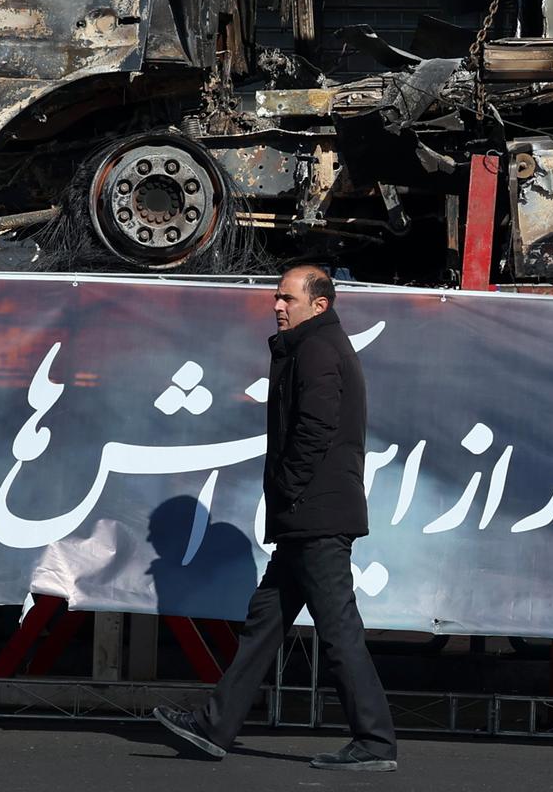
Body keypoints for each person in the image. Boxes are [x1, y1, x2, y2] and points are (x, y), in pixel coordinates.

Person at [154, 264, 397, 771]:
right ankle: (215, 726)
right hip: (306, 516)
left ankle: (374, 742)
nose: (277, 306)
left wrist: (286, 489)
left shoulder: (318, 350)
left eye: (287, 299)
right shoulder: (311, 347)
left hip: (315, 516)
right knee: (265, 625)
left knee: (338, 631)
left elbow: (315, 429)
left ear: (319, 304)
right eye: (276, 298)